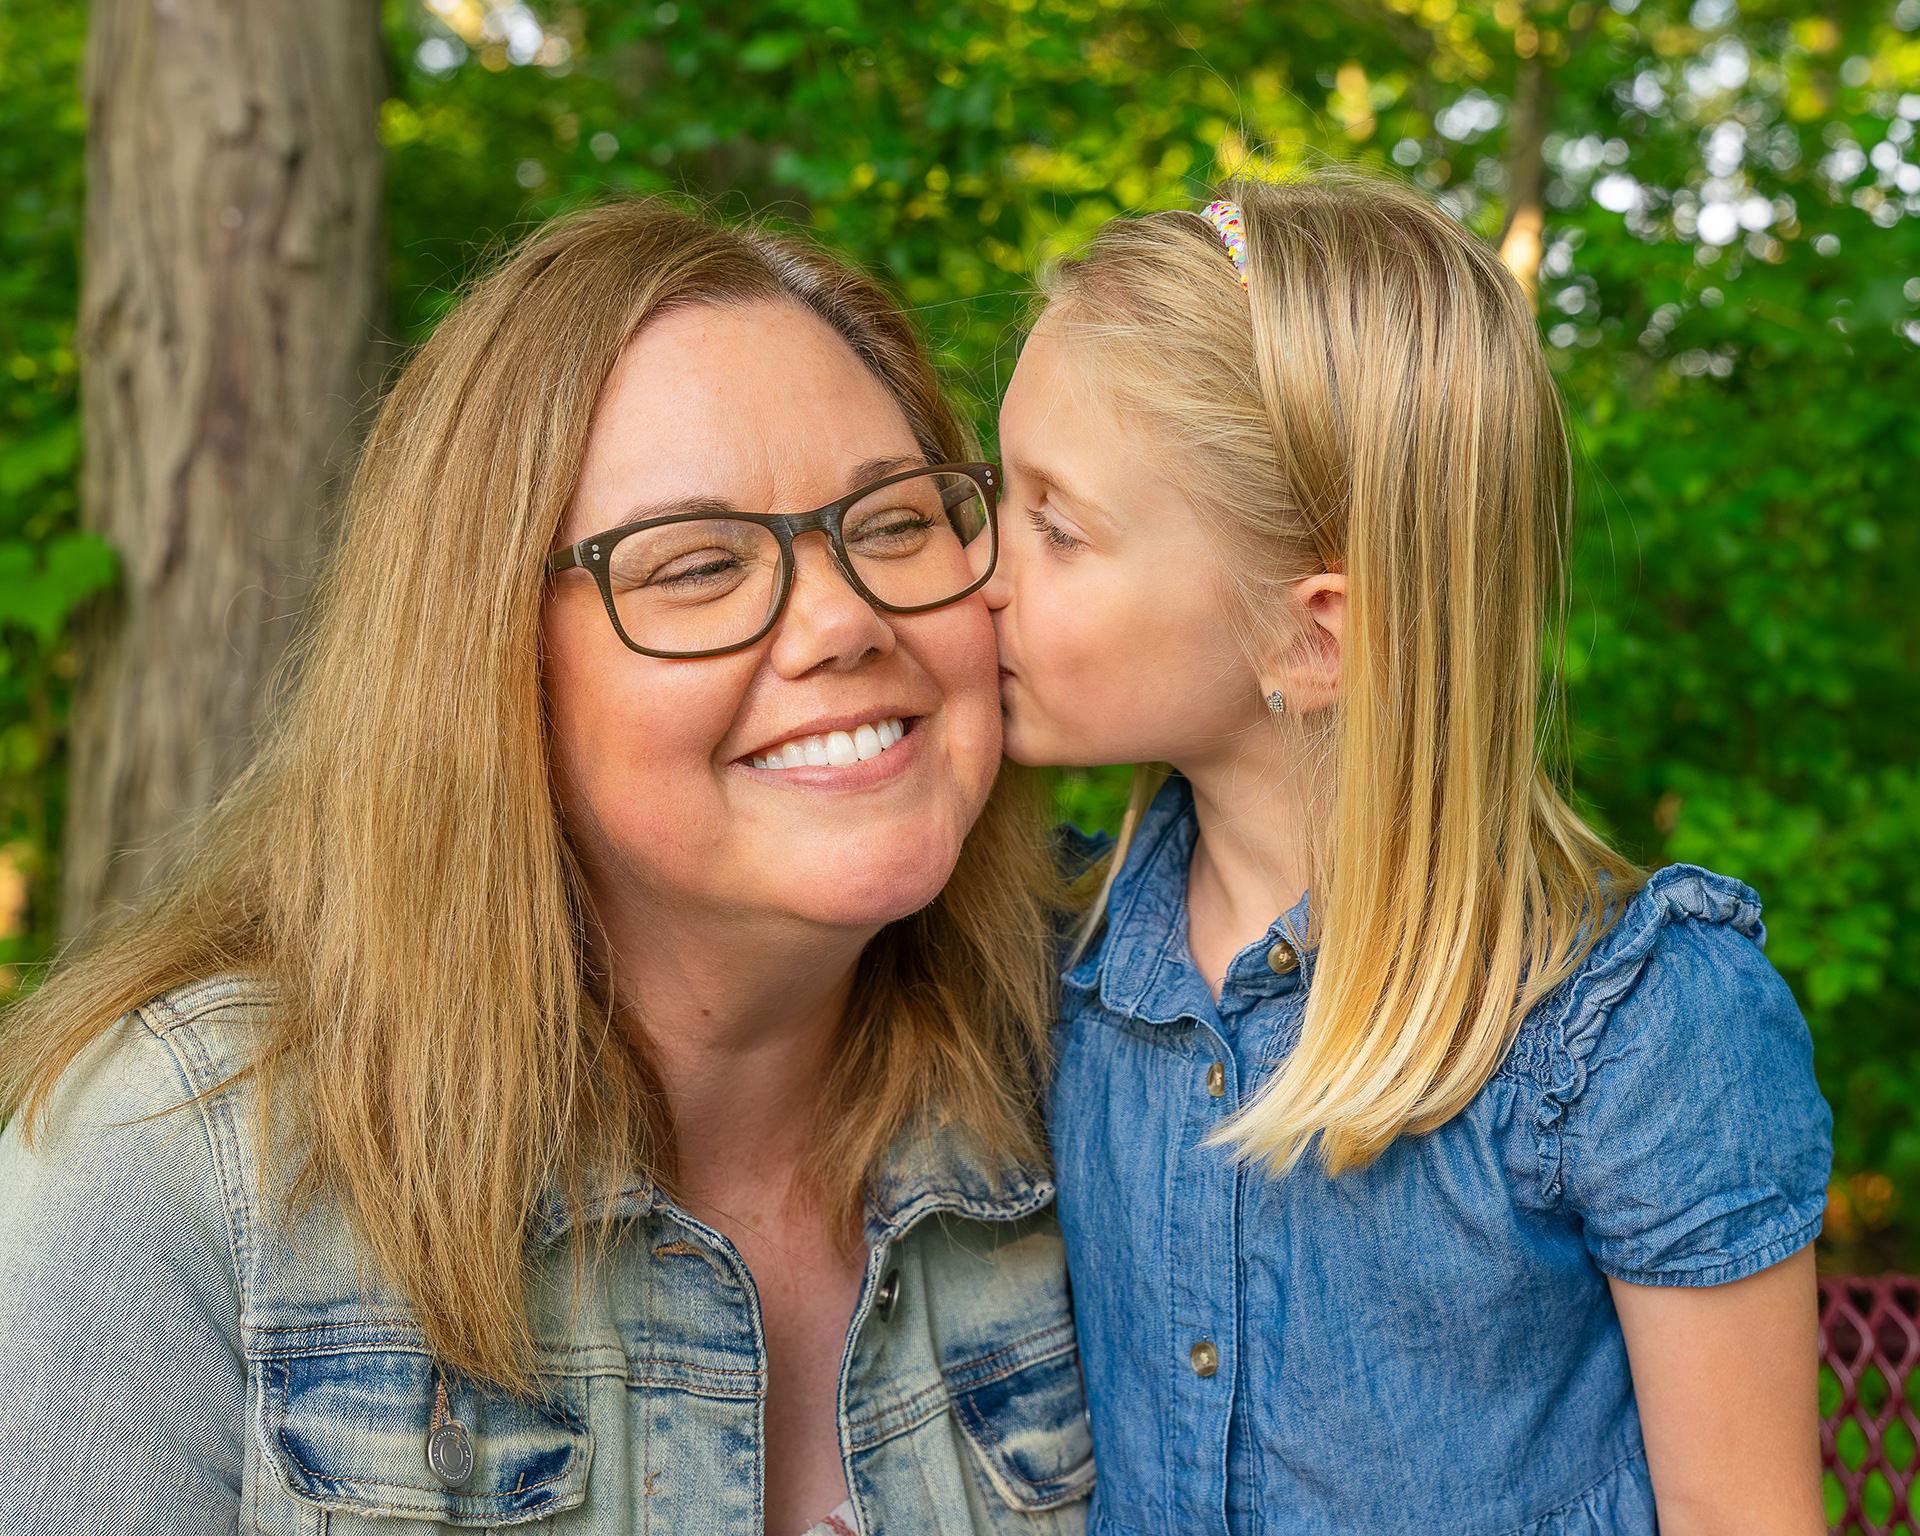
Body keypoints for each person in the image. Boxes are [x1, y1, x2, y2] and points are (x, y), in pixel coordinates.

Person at [0, 199, 1093, 1536]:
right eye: (697, 565)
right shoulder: (171, 1170)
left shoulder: (1131, 1049)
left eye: (893, 522)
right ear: (487, 663)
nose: (843, 620)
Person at [985, 167, 1832, 1534]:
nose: (984, 570)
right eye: (994, 489)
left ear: (1314, 637)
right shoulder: (1053, 951)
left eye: (1056, 526)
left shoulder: (1637, 1029)